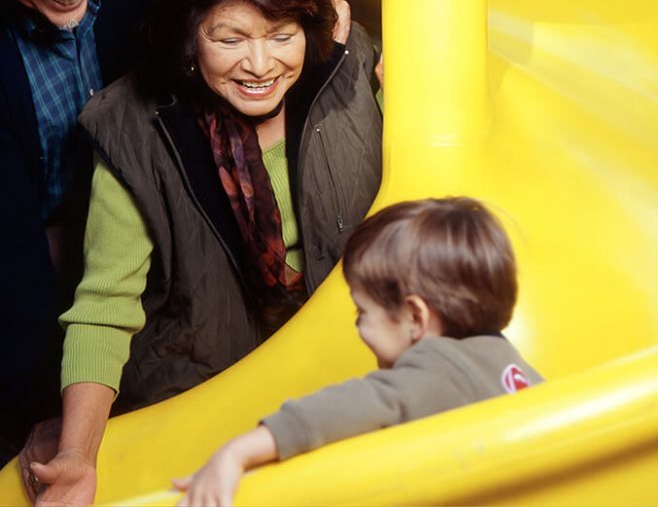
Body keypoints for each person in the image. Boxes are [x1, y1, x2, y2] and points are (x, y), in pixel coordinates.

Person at [26, 0, 382, 506]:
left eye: (281, 34)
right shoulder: (134, 129)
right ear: (190, 39)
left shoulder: (350, 72)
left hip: (342, 358)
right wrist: (76, 454)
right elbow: (104, 308)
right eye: (231, 38)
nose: (261, 65)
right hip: (199, 378)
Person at [0, 0, 193, 468]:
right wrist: (44, 412)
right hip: (32, 240)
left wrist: (325, 4)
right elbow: (10, 259)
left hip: (127, 219)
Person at [173, 197, 543, 507]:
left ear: (415, 317)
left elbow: (350, 406)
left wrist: (236, 453)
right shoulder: (513, 367)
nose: (357, 327)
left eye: (362, 312)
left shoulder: (439, 369)